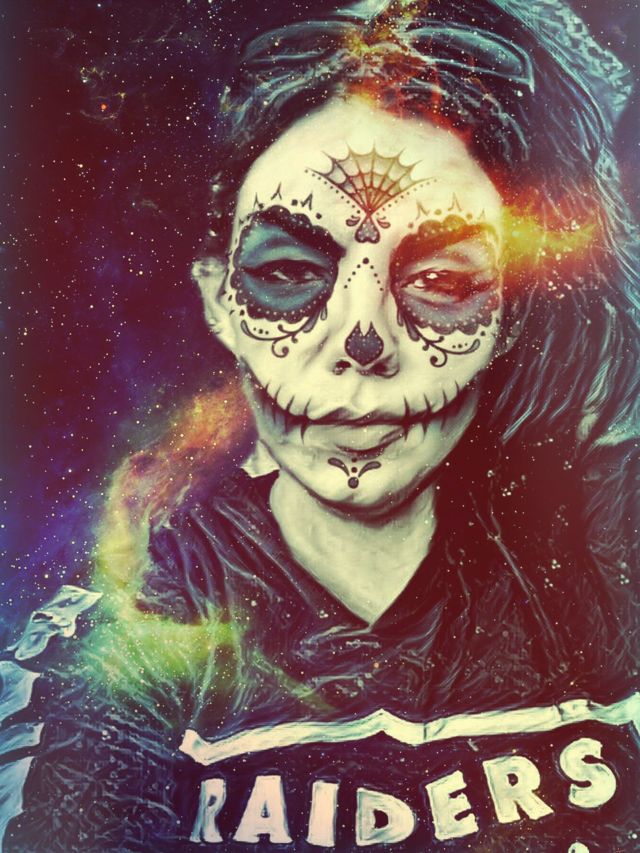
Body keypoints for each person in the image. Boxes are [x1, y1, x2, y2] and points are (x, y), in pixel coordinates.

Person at [3, 0, 638, 850]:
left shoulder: (606, 560)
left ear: (507, 318)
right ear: (218, 300)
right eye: (289, 271)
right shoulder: (132, 629)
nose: (361, 342)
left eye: (441, 282)